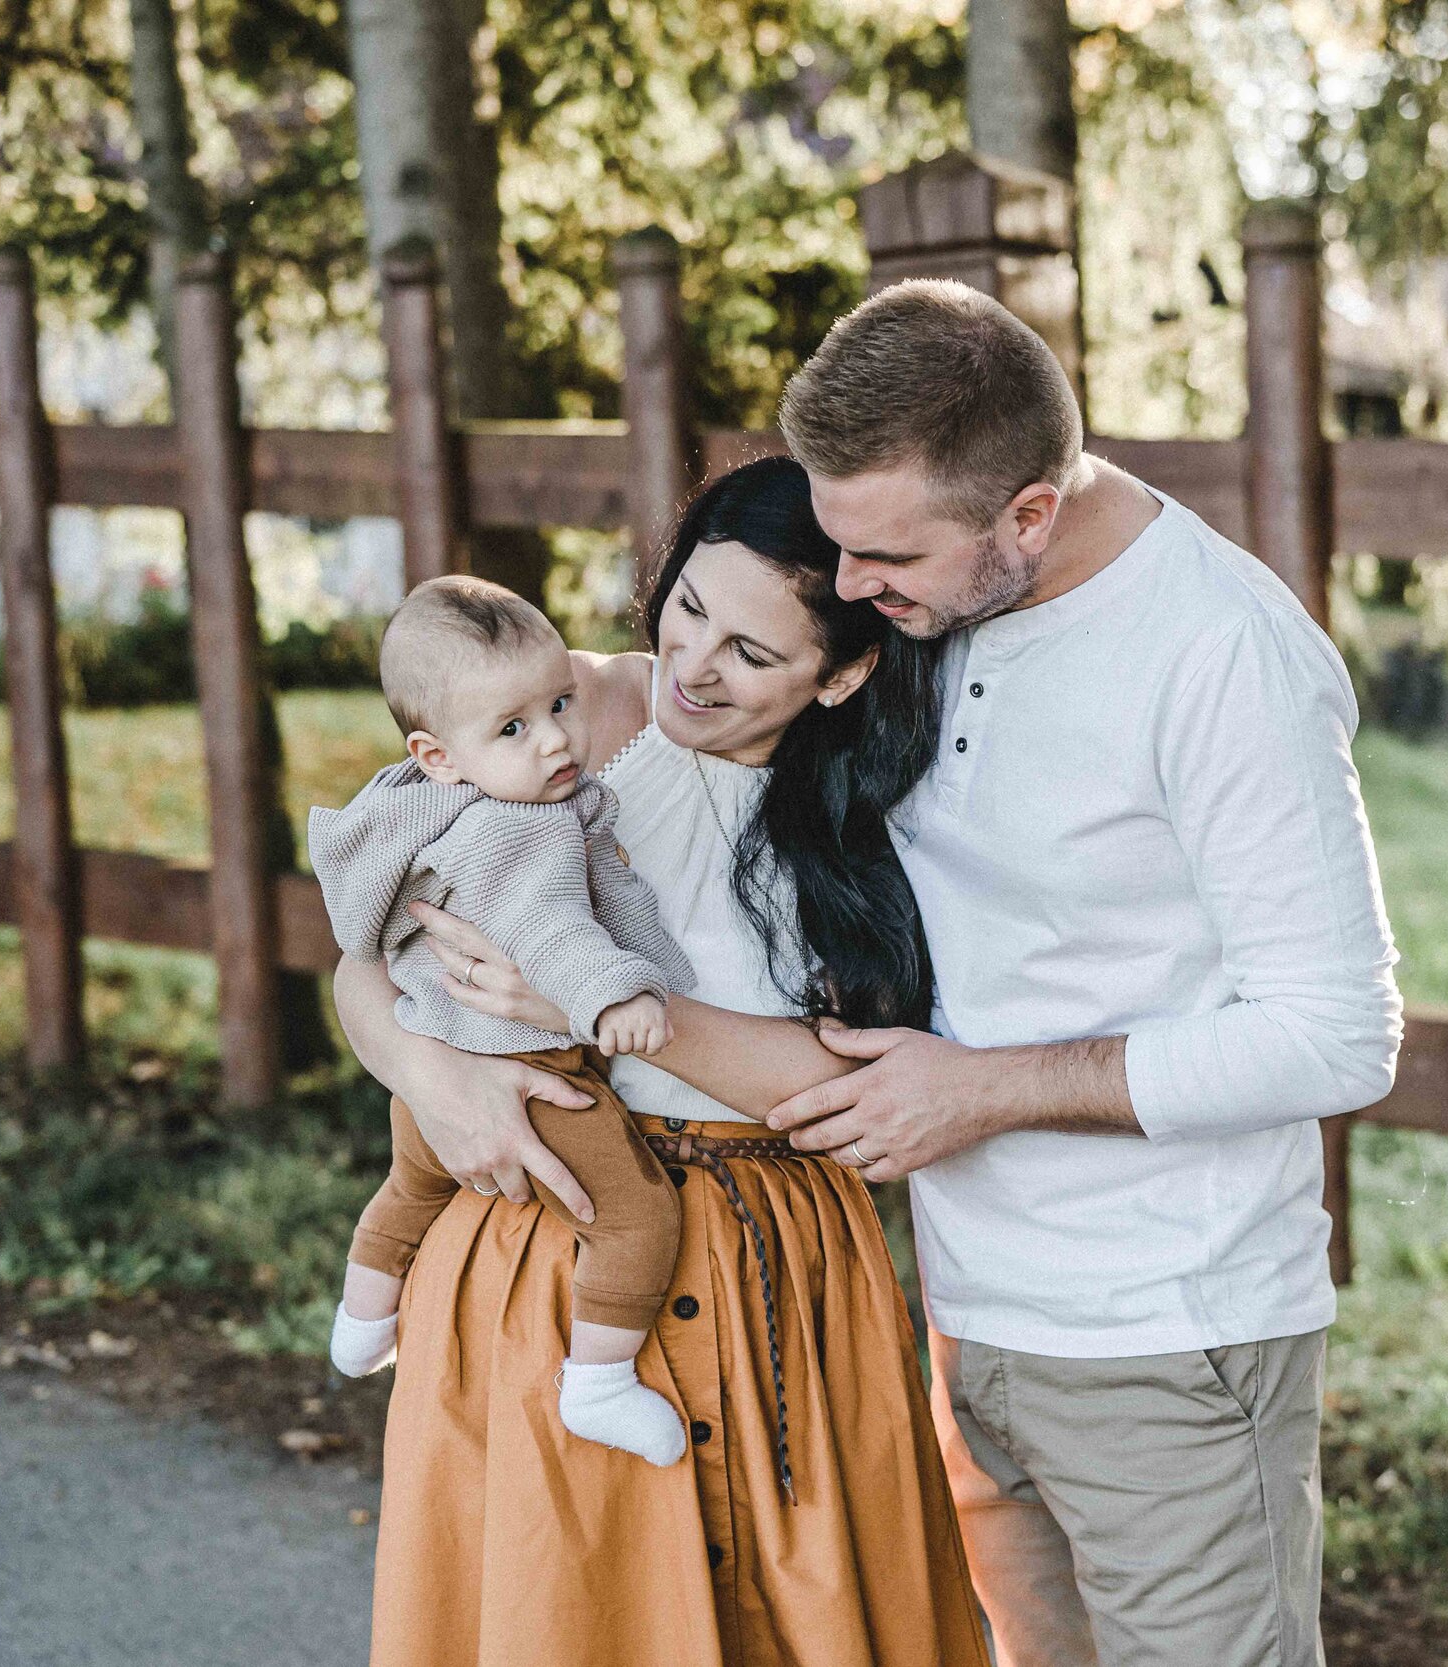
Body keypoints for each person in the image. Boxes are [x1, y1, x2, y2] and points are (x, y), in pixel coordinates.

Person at [759, 278, 1406, 1667]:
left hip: (1170, 1334)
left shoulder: (1221, 649)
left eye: (886, 556)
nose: (852, 586)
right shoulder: (939, 609)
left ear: (1029, 514)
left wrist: (982, 1091)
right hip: (968, 1312)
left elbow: (1338, 1033)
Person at [335, 458, 988, 1666]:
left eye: (752, 652)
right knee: (569, 1610)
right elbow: (366, 951)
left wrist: (582, 1002)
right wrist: (432, 1074)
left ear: (843, 671)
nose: (694, 665)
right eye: (688, 606)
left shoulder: (885, 805)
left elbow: (839, 1092)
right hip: (549, 1243)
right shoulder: (545, 718)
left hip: (778, 1265)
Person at [309, 574, 694, 1465]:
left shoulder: (420, 808)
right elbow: (553, 933)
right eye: (515, 728)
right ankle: (598, 1381)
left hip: (437, 1073)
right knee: (636, 1217)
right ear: (437, 753)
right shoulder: (519, 830)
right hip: (533, 1076)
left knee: (411, 1186)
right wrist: (618, 997)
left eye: (561, 702)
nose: (557, 739)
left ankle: (362, 1320)